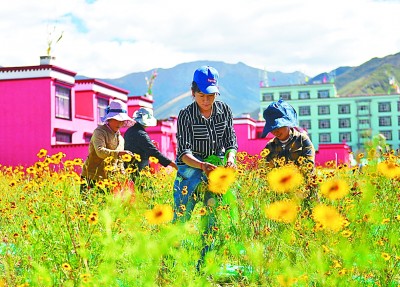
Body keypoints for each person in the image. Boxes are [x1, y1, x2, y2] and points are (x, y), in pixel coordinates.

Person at [172, 65, 238, 270]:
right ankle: (172, 264)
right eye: (201, 95)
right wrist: (201, 165)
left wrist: (231, 158)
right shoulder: (185, 115)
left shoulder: (225, 110)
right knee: (181, 217)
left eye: (211, 95)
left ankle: (205, 264)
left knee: (213, 217)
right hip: (191, 167)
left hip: (215, 167)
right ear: (193, 92)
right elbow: (183, 151)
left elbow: (231, 141)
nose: (206, 100)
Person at [80, 99, 135, 196]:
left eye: (122, 121)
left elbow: (119, 161)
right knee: (89, 206)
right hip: (92, 176)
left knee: (106, 208)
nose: (120, 123)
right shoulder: (100, 132)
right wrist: (119, 153)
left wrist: (122, 174)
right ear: (109, 119)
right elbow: (100, 151)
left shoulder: (120, 138)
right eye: (117, 120)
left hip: (109, 179)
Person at [124, 107, 177, 180]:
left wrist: (149, 143)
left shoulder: (129, 131)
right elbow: (154, 152)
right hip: (140, 170)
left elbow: (136, 145)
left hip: (129, 168)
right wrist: (173, 164)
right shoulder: (142, 134)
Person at [261, 98, 315, 168]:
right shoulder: (270, 146)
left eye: (278, 127)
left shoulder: (302, 140)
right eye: (272, 129)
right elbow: (264, 169)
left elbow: (309, 166)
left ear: (287, 124)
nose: (275, 132)